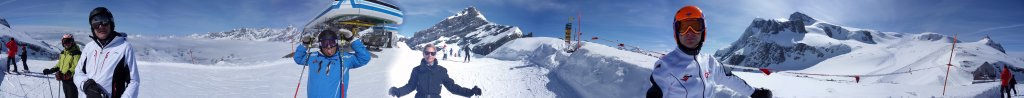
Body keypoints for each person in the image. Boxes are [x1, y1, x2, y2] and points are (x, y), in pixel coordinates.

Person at [646, 6, 770, 98]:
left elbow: (729, 79)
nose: (689, 32)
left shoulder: (710, 62)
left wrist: (754, 93)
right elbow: (656, 90)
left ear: (703, 31)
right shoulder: (666, 65)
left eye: (695, 26)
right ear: (676, 32)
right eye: (683, 27)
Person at [74, 7, 140, 98]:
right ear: (92, 27)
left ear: (111, 23)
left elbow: (133, 81)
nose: (101, 26)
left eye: (104, 21)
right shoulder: (89, 47)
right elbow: (78, 73)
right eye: (95, 23)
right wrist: (87, 85)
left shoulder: (124, 47)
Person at [293, 29, 372, 98]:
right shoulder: (313, 57)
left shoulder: (344, 58)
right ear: (320, 45)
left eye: (332, 45)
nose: (329, 50)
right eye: (325, 46)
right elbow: (298, 58)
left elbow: (364, 58)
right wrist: (304, 44)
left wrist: (352, 40)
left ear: (336, 43)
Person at [389, 44, 482, 98]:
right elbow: (411, 86)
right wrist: (398, 91)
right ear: (423, 54)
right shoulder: (416, 70)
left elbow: (452, 87)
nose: (429, 55)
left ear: (435, 55)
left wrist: (471, 92)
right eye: (427, 53)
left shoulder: (441, 71)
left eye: (432, 53)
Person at [43, 34, 81, 98]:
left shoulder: (76, 53)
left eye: (69, 41)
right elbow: (59, 64)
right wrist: (51, 70)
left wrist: (69, 73)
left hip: (72, 80)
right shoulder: (63, 53)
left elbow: (76, 66)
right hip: (64, 78)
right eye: (64, 41)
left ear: (72, 42)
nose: (67, 43)